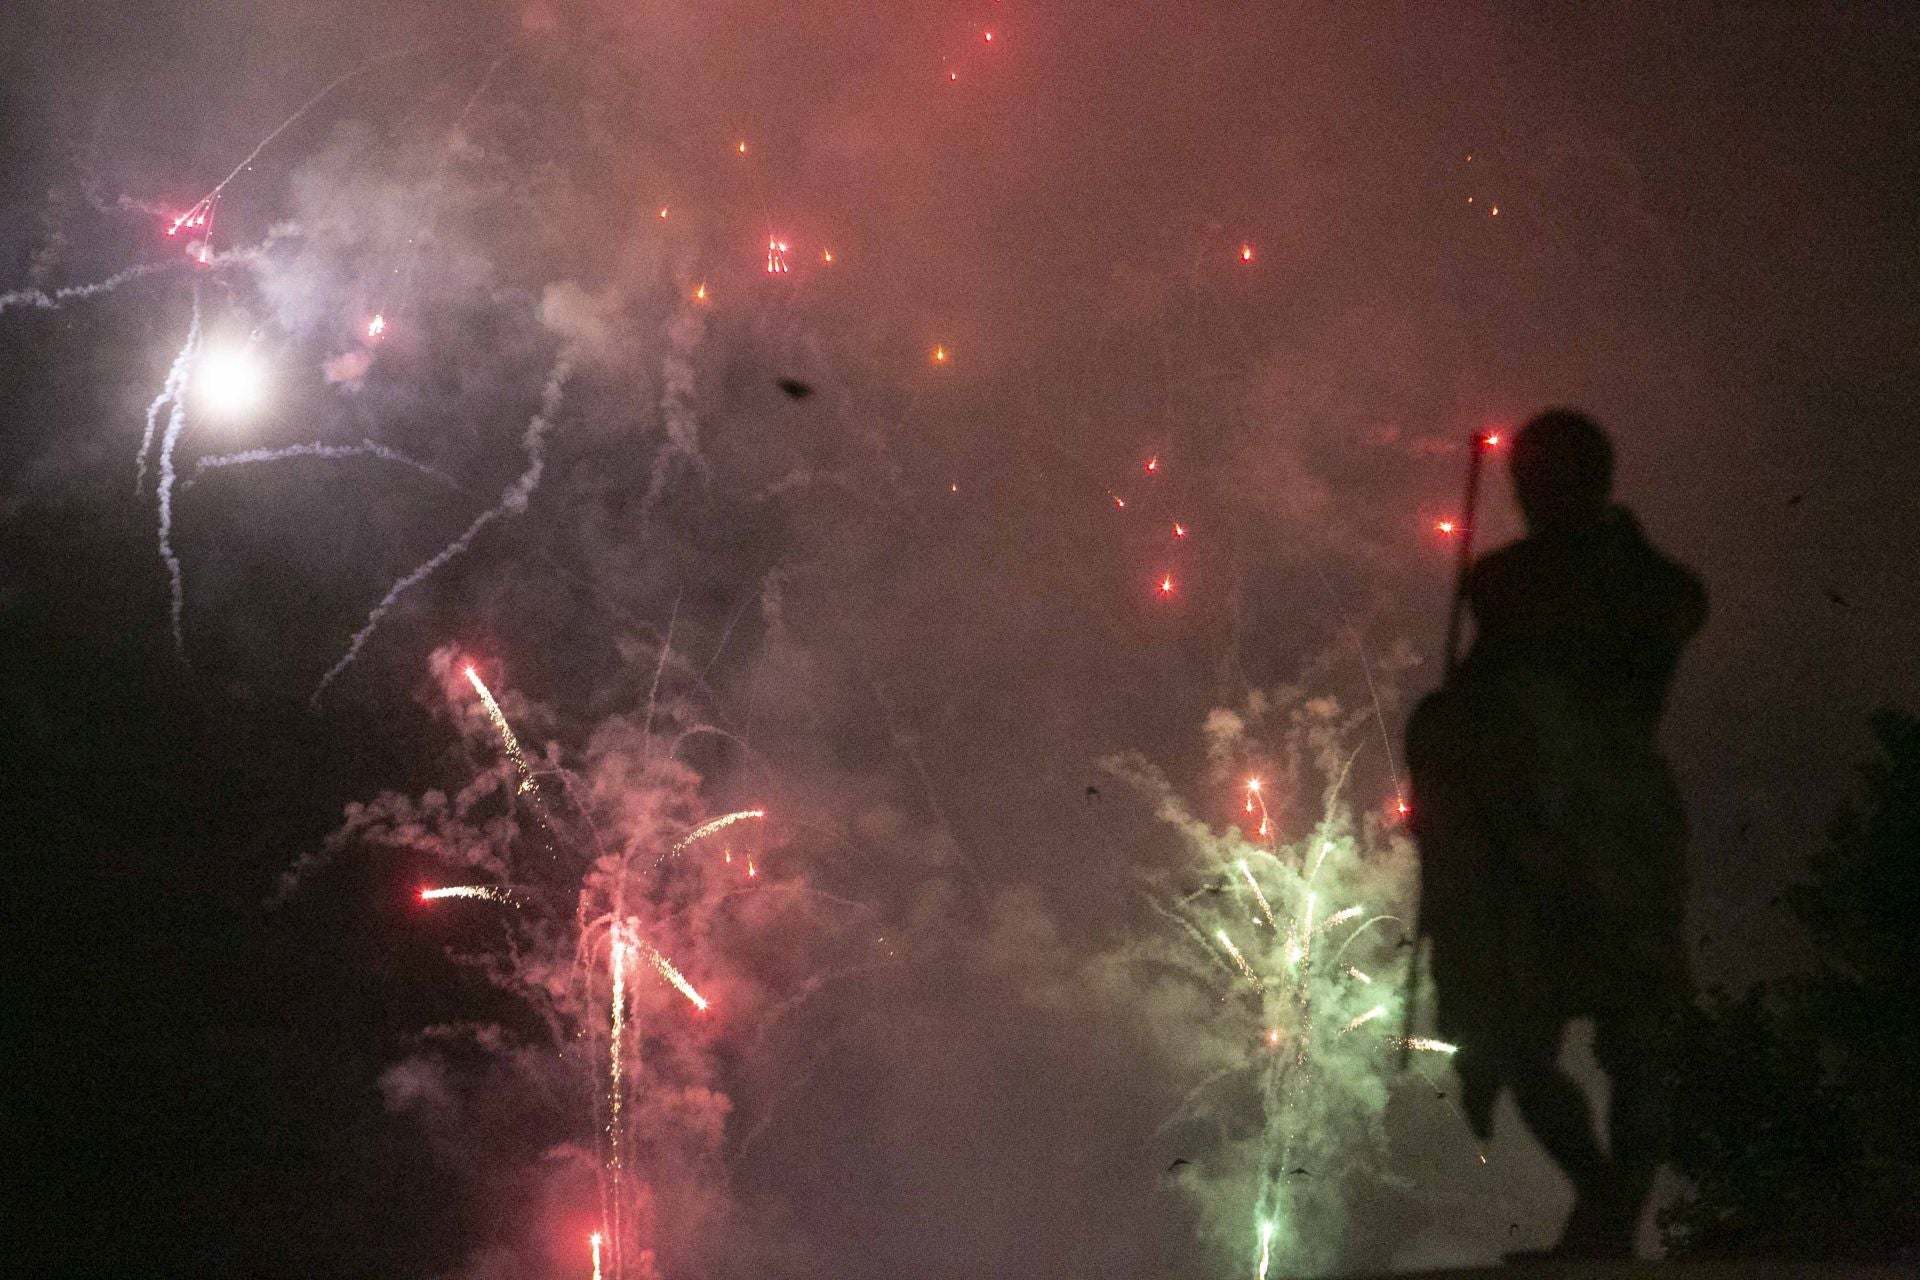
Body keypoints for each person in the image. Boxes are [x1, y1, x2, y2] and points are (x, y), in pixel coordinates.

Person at [1405, 408, 1707, 1257]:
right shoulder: (1507, 582)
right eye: (1524, 485)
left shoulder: (1648, 588)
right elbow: (1480, 697)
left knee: (1638, 1035)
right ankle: (1604, 1205)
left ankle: (1606, 1217)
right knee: (1522, 1036)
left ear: (1590, 481)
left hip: (1615, 831)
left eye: (1546, 482)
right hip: (1536, 830)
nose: (1532, 499)